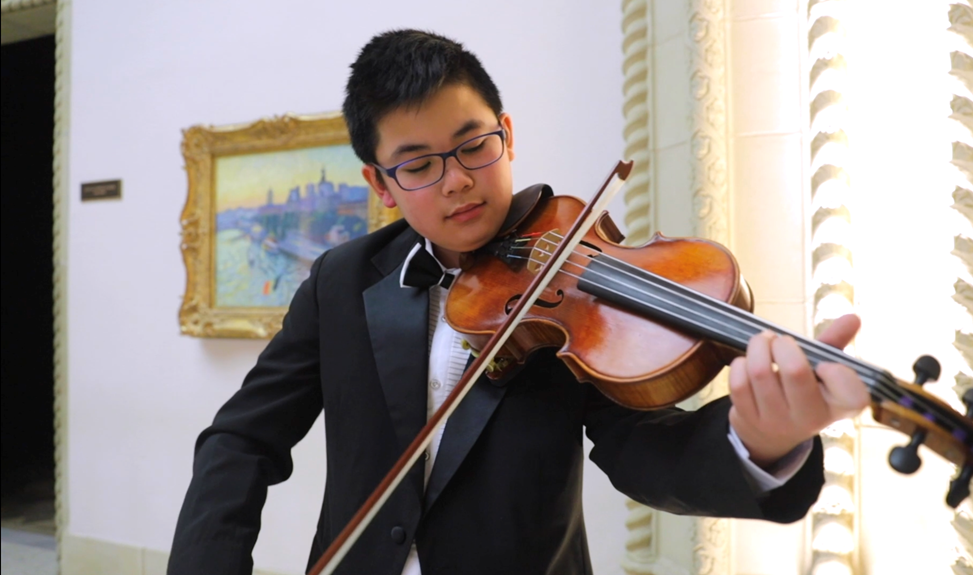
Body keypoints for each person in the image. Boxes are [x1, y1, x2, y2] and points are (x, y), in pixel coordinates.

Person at [168, 29, 869, 575]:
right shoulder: (339, 281)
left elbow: (643, 448)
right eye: (418, 165)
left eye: (474, 146)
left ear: (507, 133)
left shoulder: (571, 287)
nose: (457, 182)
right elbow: (242, 437)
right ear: (381, 185)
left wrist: (759, 441)